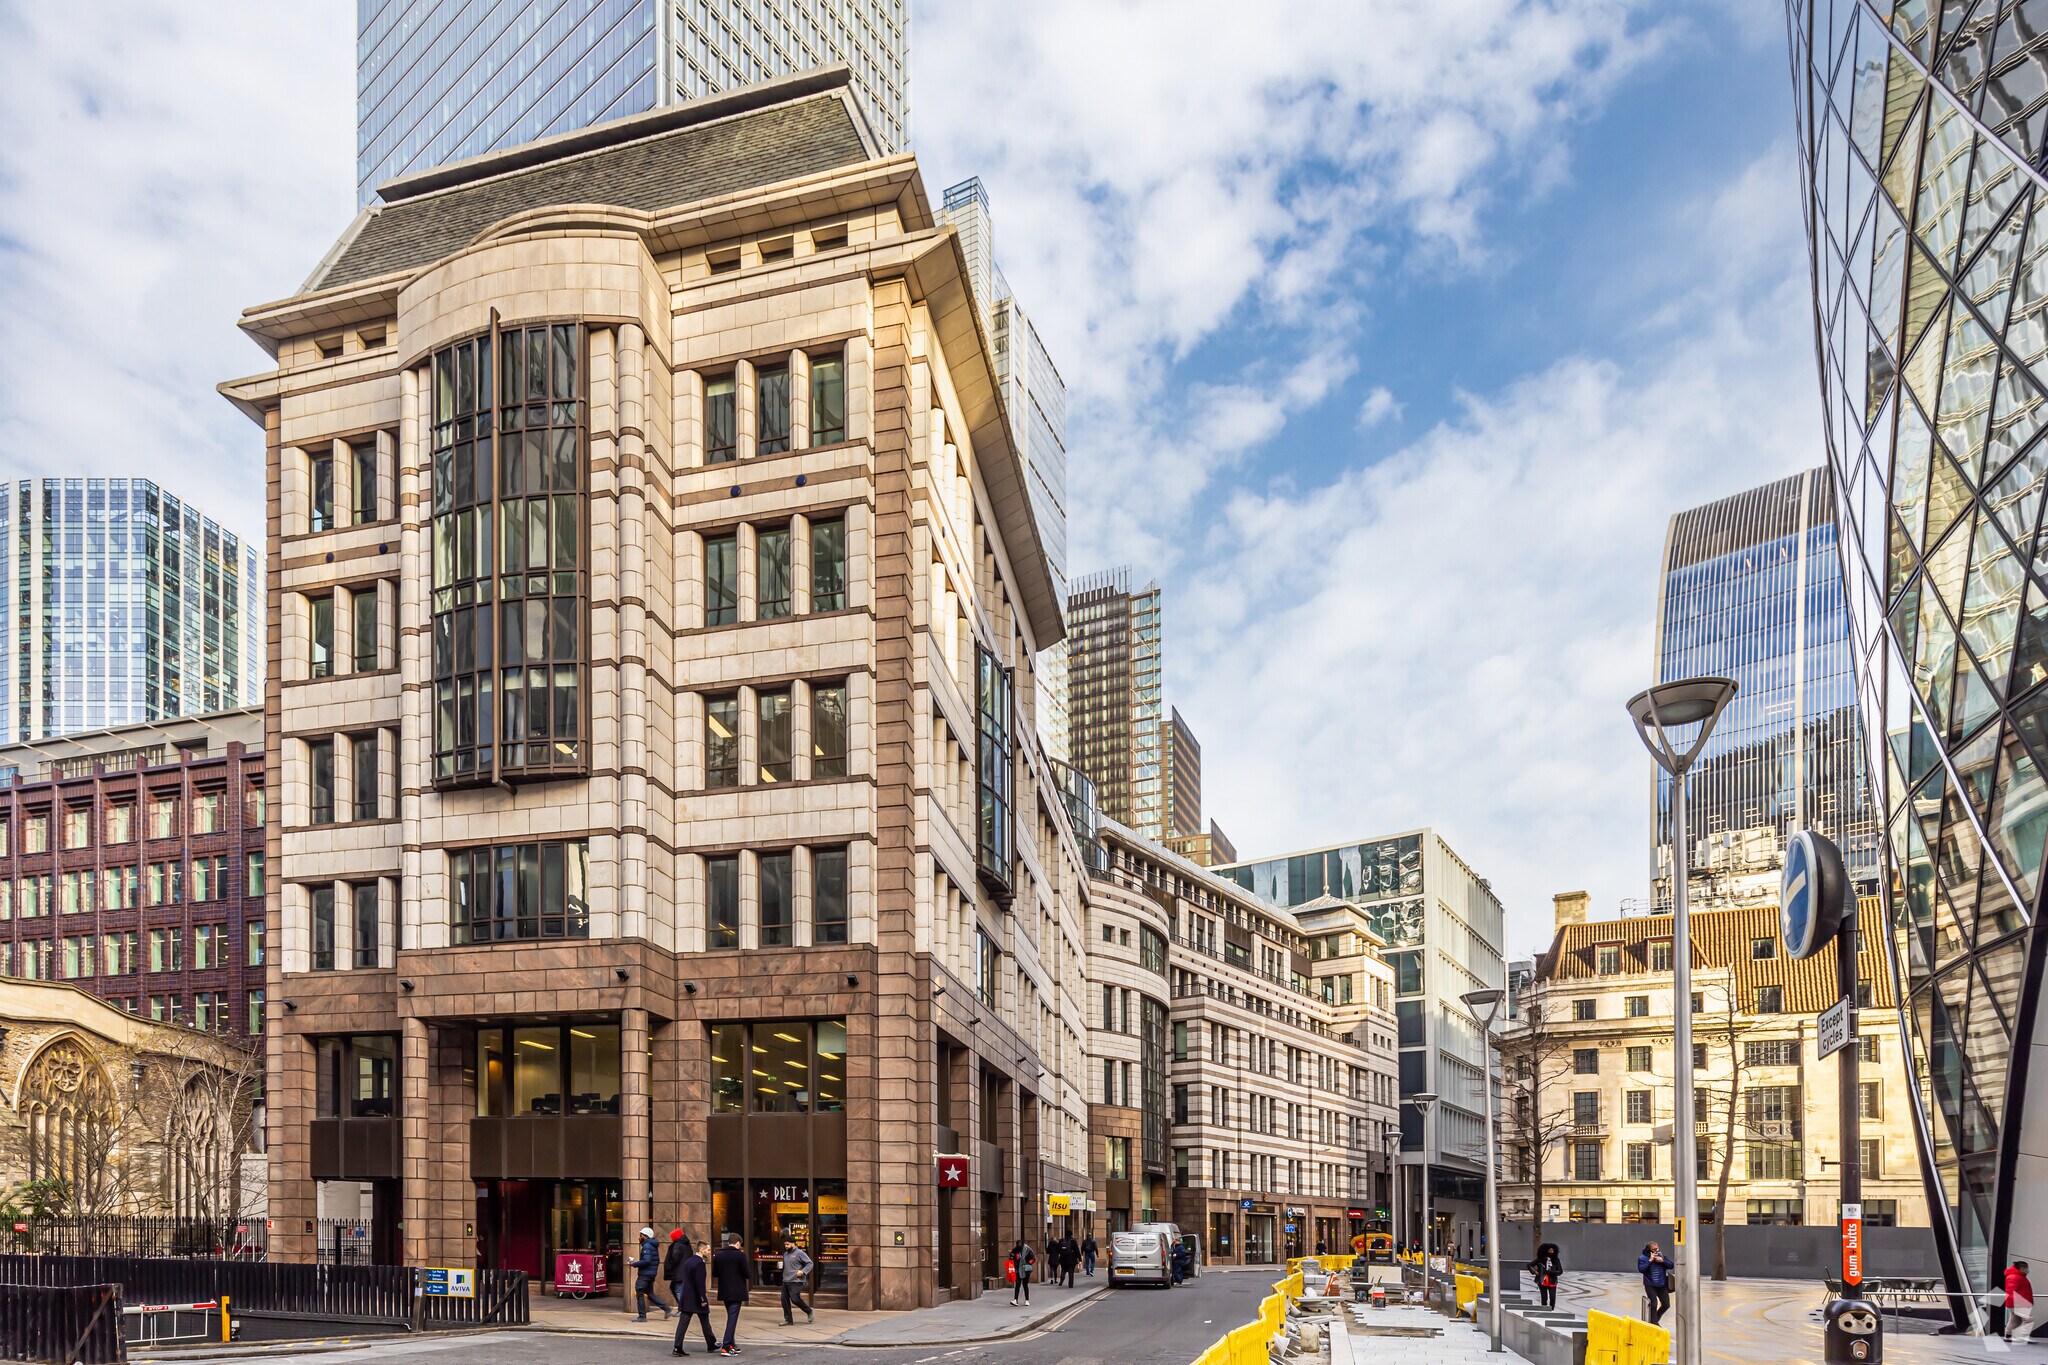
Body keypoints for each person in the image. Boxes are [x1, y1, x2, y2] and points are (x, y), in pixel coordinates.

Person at [671, 1236, 718, 1358]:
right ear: (702, 1250)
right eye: (708, 1250)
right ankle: (711, 1344)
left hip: (687, 1297)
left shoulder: (689, 1261)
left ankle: (677, 1347)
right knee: (705, 1322)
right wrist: (702, 1299)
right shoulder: (699, 1264)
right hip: (697, 1298)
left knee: (683, 1323)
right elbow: (700, 1283)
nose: (709, 1252)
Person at [711, 1231, 751, 1355]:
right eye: (740, 1245)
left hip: (724, 1289)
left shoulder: (718, 1255)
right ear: (738, 1243)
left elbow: (715, 1273)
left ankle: (732, 1344)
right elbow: (747, 1274)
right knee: (732, 1319)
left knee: (731, 1317)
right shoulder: (740, 1256)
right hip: (737, 1290)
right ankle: (727, 1345)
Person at [635, 1227, 673, 1322]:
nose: (639, 1237)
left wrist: (634, 1264)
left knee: (639, 1292)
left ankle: (642, 1316)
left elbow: (646, 1260)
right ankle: (666, 1308)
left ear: (645, 1236)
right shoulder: (652, 1245)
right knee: (649, 1293)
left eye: (641, 1236)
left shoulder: (647, 1246)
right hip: (650, 1274)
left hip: (645, 1274)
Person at [780, 1238, 814, 1325]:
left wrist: (803, 1271)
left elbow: (810, 1263)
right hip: (786, 1280)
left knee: (795, 1299)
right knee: (784, 1300)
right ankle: (788, 1319)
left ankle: (808, 1310)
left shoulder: (800, 1253)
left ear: (793, 1244)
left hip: (796, 1280)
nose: (786, 1246)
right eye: (785, 1245)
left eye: (787, 1244)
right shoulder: (785, 1254)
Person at [1638, 1243, 1672, 1326]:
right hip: (1650, 1284)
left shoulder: (1661, 1256)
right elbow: (1641, 1269)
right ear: (1648, 1250)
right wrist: (1650, 1260)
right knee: (1653, 1304)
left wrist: (1663, 1261)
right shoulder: (1642, 1258)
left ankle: (1655, 1318)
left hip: (1662, 1284)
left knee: (1666, 1305)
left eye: (1657, 1248)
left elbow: (1671, 1265)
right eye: (1654, 1249)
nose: (1656, 1250)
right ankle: (1654, 1323)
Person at [2006, 1260, 2035, 1343]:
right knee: (2028, 1319)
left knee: (2015, 1320)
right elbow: (2011, 1291)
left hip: (2016, 1302)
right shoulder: (2015, 1277)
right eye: (2026, 1268)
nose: (2028, 1270)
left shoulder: (2017, 1276)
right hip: (2018, 1303)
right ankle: (2024, 1336)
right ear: (2022, 1268)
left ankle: (2008, 1336)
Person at [1530, 1241, 1563, 1311]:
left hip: (1553, 1281)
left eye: (1553, 1250)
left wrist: (1551, 1272)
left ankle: (1551, 1310)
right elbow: (1529, 1265)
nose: (1551, 1251)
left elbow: (1560, 1271)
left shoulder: (1556, 1260)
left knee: (1552, 1297)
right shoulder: (1541, 1259)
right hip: (1543, 1280)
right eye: (1550, 1250)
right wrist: (1534, 1271)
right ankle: (1544, 1310)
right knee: (1544, 1297)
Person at [1009, 1238, 1036, 1306]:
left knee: (1025, 1285)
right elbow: (1011, 1257)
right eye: (1018, 1245)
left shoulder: (1027, 1249)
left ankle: (1027, 1300)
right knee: (1017, 1285)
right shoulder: (1015, 1250)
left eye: (1020, 1245)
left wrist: (1028, 1263)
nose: (1019, 1246)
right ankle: (1015, 1300)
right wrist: (1012, 1257)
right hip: (1018, 1269)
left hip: (1026, 1269)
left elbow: (1033, 1258)